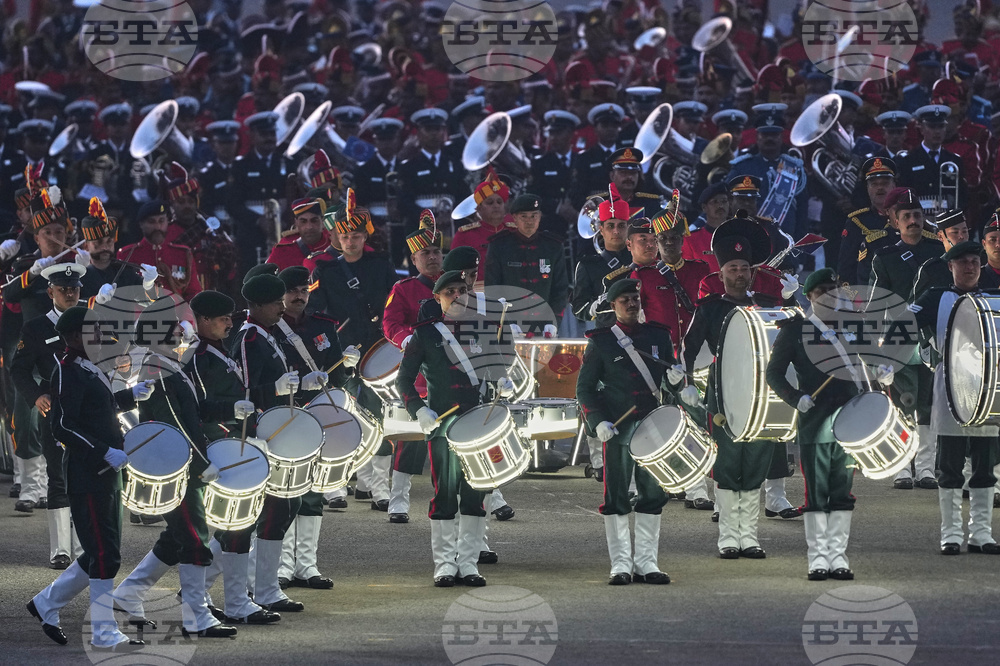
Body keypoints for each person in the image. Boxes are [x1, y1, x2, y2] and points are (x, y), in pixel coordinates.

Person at [27, 306, 154, 649]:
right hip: (88, 471)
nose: (100, 337)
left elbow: (98, 408)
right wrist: (102, 451)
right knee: (105, 552)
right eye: (92, 331)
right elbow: (63, 425)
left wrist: (130, 397)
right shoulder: (67, 370)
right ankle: (103, 630)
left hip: (106, 469)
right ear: (72, 337)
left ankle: (46, 604)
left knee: (102, 549)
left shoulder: (86, 367)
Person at [112, 305, 236, 639]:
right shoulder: (159, 368)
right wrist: (200, 463)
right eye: (173, 327)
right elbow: (176, 424)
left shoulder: (168, 365)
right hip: (177, 467)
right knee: (195, 537)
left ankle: (129, 592)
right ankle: (196, 616)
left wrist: (233, 408)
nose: (182, 330)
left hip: (179, 464)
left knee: (178, 535)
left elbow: (194, 410)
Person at [394, 270, 512, 587]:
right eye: (451, 292)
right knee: (445, 493)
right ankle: (445, 564)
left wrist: (502, 379)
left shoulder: (482, 329)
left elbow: (498, 365)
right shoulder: (424, 335)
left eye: (463, 289)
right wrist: (419, 410)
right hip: (443, 424)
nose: (459, 295)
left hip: (479, 424)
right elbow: (403, 380)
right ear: (438, 298)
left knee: (476, 494)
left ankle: (469, 563)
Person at [766, 269, 881, 580]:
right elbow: (773, 374)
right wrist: (795, 397)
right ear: (811, 297)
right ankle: (817, 558)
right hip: (815, 420)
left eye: (834, 289)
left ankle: (838, 557)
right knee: (817, 492)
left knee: (842, 491)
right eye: (822, 292)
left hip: (851, 419)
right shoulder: (795, 331)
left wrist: (880, 370)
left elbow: (869, 358)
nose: (830, 296)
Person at [682, 235, 782, 559]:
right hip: (722, 392)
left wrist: (796, 306)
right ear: (721, 273)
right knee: (726, 464)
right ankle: (728, 537)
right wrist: (685, 382)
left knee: (755, 463)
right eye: (732, 268)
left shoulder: (768, 305)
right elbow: (688, 347)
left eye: (743, 268)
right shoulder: (709, 307)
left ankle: (749, 537)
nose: (738, 274)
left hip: (762, 392)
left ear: (751, 273)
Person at [577, 278, 681, 585]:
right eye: (624, 300)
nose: (632, 304)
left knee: (652, 493)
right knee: (616, 495)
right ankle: (620, 564)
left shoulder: (658, 335)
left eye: (635, 298)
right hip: (617, 428)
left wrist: (676, 380)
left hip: (652, 426)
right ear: (612, 306)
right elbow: (584, 389)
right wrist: (597, 422)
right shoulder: (602, 341)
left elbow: (669, 377)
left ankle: (647, 562)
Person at [186, 290, 281, 626]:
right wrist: (233, 410)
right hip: (219, 445)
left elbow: (239, 395)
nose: (230, 322)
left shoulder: (217, 352)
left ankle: (210, 593)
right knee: (233, 525)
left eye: (230, 317)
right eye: (223, 318)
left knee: (237, 525)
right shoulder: (199, 358)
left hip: (235, 442)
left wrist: (269, 394)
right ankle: (235, 603)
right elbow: (200, 407)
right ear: (203, 321)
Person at [228, 273, 313, 612]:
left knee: (283, 509)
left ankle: (267, 588)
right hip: (261, 434)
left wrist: (302, 383)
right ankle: (257, 589)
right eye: (276, 302)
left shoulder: (266, 334)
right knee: (264, 512)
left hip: (277, 430)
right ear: (258, 305)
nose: (282, 306)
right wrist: (275, 391)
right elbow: (244, 394)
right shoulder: (249, 339)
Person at [910, 241, 1000, 555]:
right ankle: (950, 534)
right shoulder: (935, 297)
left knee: (985, 464)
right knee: (949, 465)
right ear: (951, 266)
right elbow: (902, 326)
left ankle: (981, 533)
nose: (970, 267)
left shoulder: (996, 296)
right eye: (962, 262)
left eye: (975, 261)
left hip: (989, 390)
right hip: (949, 386)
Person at [274, 266, 358, 589]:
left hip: (318, 418)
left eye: (304, 290)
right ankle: (282, 565)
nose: (299, 296)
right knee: (284, 493)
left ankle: (306, 565)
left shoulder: (324, 326)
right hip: (284, 418)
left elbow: (337, 379)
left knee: (312, 492)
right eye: (292, 290)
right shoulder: (272, 329)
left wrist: (347, 368)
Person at [9, 263, 86, 564]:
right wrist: (36, 394)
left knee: (84, 480)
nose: (69, 293)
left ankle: (83, 549)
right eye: (63, 289)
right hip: (54, 408)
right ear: (50, 291)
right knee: (58, 478)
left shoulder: (93, 323)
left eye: (74, 289)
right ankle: (61, 550)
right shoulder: (36, 327)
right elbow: (19, 369)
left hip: (88, 411)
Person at [869, 187, 944, 490]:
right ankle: (903, 466)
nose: (913, 220)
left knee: (927, 403)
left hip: (930, 338)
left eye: (917, 215)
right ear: (895, 222)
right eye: (907, 216)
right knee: (901, 402)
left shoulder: (939, 252)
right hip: (897, 337)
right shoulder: (884, 257)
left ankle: (925, 467)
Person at [383, 221, 444, 524]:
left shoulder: (456, 287)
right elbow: (390, 323)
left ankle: (493, 498)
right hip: (419, 373)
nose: (432, 257)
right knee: (410, 441)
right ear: (413, 259)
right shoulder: (403, 289)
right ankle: (398, 502)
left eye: (436, 251)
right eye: (425, 252)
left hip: (453, 373)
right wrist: (407, 338)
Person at [484, 193, 568, 331]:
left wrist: (554, 320)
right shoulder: (499, 245)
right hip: (510, 323)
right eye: (524, 216)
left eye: (534, 216)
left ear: (540, 217)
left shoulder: (553, 246)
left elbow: (560, 288)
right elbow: (493, 289)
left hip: (544, 324)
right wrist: (504, 321)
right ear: (515, 219)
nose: (530, 221)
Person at [116, 200, 201, 301]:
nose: (157, 227)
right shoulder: (127, 255)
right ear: (141, 224)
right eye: (151, 222)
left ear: (167, 222)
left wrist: (186, 316)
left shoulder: (182, 254)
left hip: (178, 315)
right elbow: (122, 294)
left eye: (161, 221)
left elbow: (193, 293)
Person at [76, 198, 153, 304]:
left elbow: (149, 302)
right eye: (98, 242)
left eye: (109, 242)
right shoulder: (77, 275)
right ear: (86, 246)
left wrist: (148, 283)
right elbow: (69, 305)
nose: (105, 247)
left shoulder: (126, 273)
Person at [837, 157, 897, 286]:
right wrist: (857, 301)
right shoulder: (857, 222)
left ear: (894, 186)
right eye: (874, 184)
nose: (880, 188)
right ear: (868, 188)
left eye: (885, 183)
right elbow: (845, 269)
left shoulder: (907, 218)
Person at [450, 173, 514, 282]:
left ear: (505, 207)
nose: (496, 205)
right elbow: (452, 269)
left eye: (499, 202)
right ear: (478, 209)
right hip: (478, 294)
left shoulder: (515, 231)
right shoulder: (465, 235)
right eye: (490, 202)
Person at [266, 197, 330, 271]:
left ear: (322, 221)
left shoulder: (334, 243)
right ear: (296, 223)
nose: (309, 227)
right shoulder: (283, 251)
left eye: (314, 221)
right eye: (303, 221)